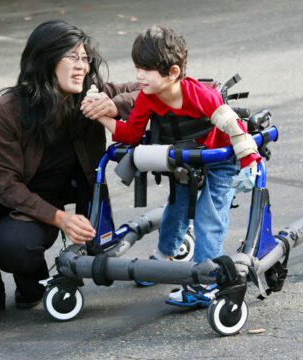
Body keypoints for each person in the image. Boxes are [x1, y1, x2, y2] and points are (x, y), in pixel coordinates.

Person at [0, 20, 138, 329]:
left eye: (84, 58)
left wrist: (115, 103)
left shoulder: (90, 97)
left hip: (40, 201)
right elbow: (5, 186)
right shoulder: (9, 109)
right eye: (72, 57)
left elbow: (152, 89)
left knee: (13, 248)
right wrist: (62, 220)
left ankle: (32, 284)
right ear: (45, 59)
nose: (81, 66)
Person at [83, 25, 261, 307]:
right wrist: (100, 117)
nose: (139, 75)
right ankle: (163, 259)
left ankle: (206, 281)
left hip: (219, 159)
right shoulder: (148, 97)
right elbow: (130, 134)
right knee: (175, 206)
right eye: (137, 68)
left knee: (208, 214)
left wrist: (250, 161)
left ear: (173, 72)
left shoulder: (199, 95)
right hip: (184, 159)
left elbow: (234, 126)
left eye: (146, 69)